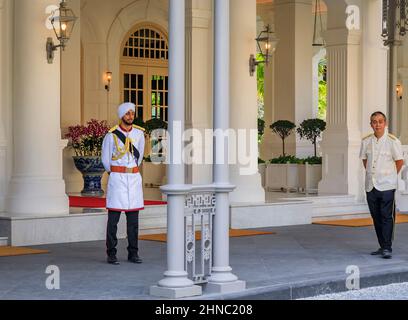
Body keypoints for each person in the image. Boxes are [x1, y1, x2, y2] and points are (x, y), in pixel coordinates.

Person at [101, 102, 145, 265]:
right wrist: (116, 173)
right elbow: (105, 159)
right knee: (113, 220)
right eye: (127, 114)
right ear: (121, 116)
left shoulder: (139, 134)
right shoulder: (111, 135)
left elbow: (138, 158)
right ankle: (111, 253)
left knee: (133, 221)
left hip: (133, 179)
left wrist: (131, 170)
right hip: (118, 179)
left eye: (132, 113)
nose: (130, 116)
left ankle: (133, 253)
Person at [359, 111, 404, 259]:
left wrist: (389, 177)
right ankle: (382, 245)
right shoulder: (366, 141)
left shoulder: (393, 141)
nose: (377, 124)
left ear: (385, 123)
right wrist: (374, 176)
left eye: (380, 121)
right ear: (371, 124)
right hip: (370, 186)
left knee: (386, 216)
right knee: (376, 217)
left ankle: (387, 247)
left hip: (386, 186)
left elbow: (399, 162)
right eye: (374, 121)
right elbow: (365, 161)